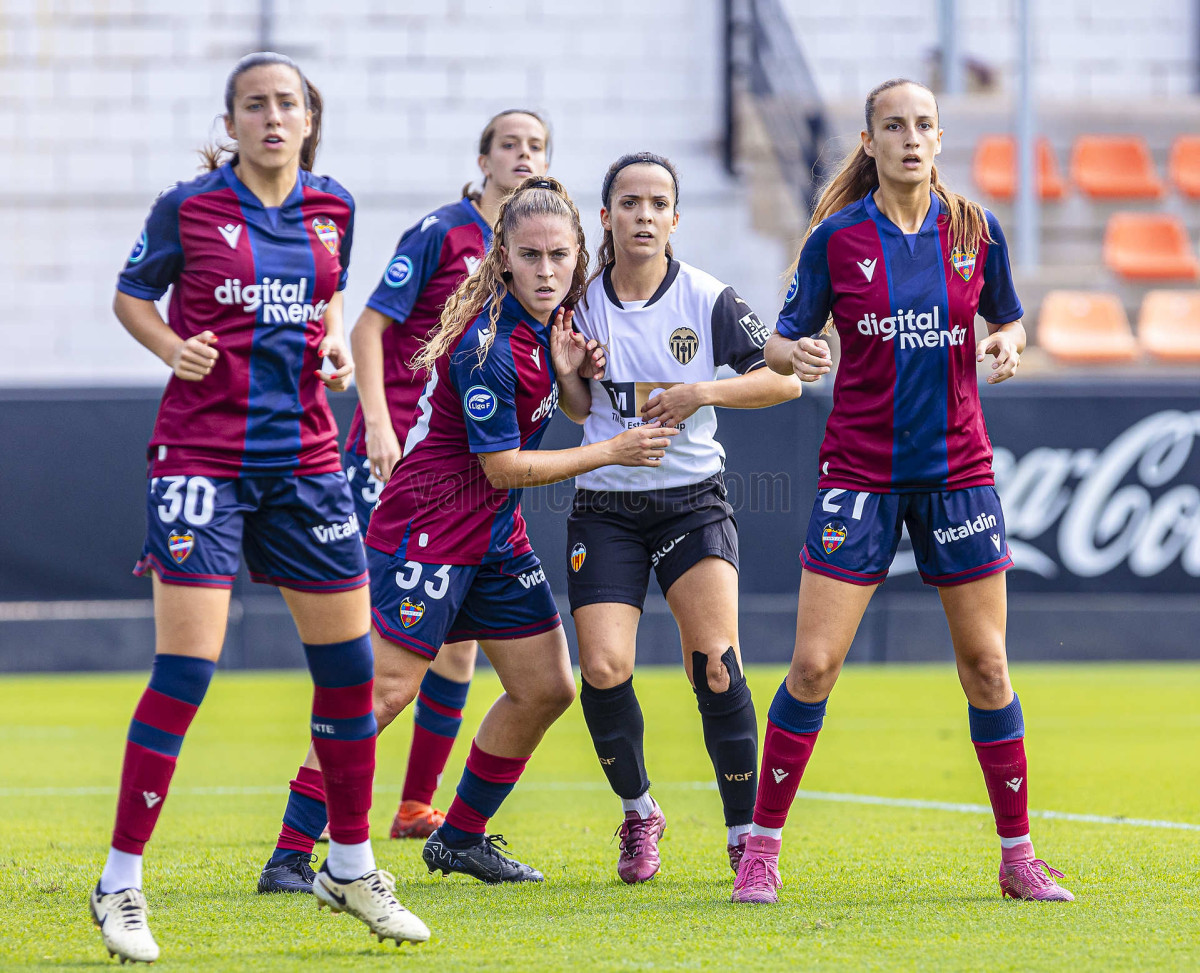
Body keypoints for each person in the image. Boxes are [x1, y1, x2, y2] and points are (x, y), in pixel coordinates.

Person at [90, 53, 431, 964]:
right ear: (232, 122)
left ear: (308, 120)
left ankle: (348, 866)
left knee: (350, 671)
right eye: (255, 105)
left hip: (306, 459)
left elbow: (328, 297)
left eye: (287, 104)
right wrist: (171, 346)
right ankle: (119, 881)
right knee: (186, 671)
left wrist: (334, 348)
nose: (273, 117)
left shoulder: (334, 207)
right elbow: (131, 295)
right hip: (201, 457)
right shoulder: (188, 207)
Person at [731, 78, 1073, 905]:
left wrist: (1008, 343)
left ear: (940, 137)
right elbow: (779, 344)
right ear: (871, 141)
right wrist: (798, 355)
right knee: (813, 664)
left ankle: (1018, 856)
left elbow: (1009, 319)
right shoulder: (837, 238)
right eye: (894, 125)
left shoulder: (975, 230)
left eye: (923, 124)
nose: (910, 138)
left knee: (987, 665)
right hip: (860, 473)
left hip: (958, 474)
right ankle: (761, 850)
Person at [258, 109, 552, 894]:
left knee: (514, 671)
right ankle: (294, 847)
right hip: (416, 471)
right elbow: (369, 328)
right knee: (390, 677)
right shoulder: (442, 234)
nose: (523, 155)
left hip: (484, 510)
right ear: (483, 158)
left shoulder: (544, 275)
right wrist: (379, 425)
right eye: (510, 144)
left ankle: (435, 817)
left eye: (536, 146)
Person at [364, 175, 677, 885]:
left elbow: (565, 410)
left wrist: (568, 377)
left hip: (492, 536)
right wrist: (612, 450)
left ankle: (460, 837)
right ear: (502, 257)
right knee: (386, 692)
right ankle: (292, 848)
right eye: (530, 256)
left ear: (577, 258)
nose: (546, 270)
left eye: (559, 256)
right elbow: (503, 468)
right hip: (430, 526)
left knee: (547, 687)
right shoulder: (487, 346)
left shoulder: (548, 328)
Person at [567, 152, 802, 884]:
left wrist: (702, 390)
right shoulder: (579, 304)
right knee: (603, 668)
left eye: (657, 203)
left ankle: (744, 838)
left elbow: (784, 381)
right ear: (606, 217)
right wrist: (571, 368)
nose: (643, 215)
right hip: (605, 505)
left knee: (717, 665)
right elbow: (574, 409)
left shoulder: (707, 297)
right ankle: (639, 812)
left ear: (675, 218)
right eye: (629, 203)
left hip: (691, 500)